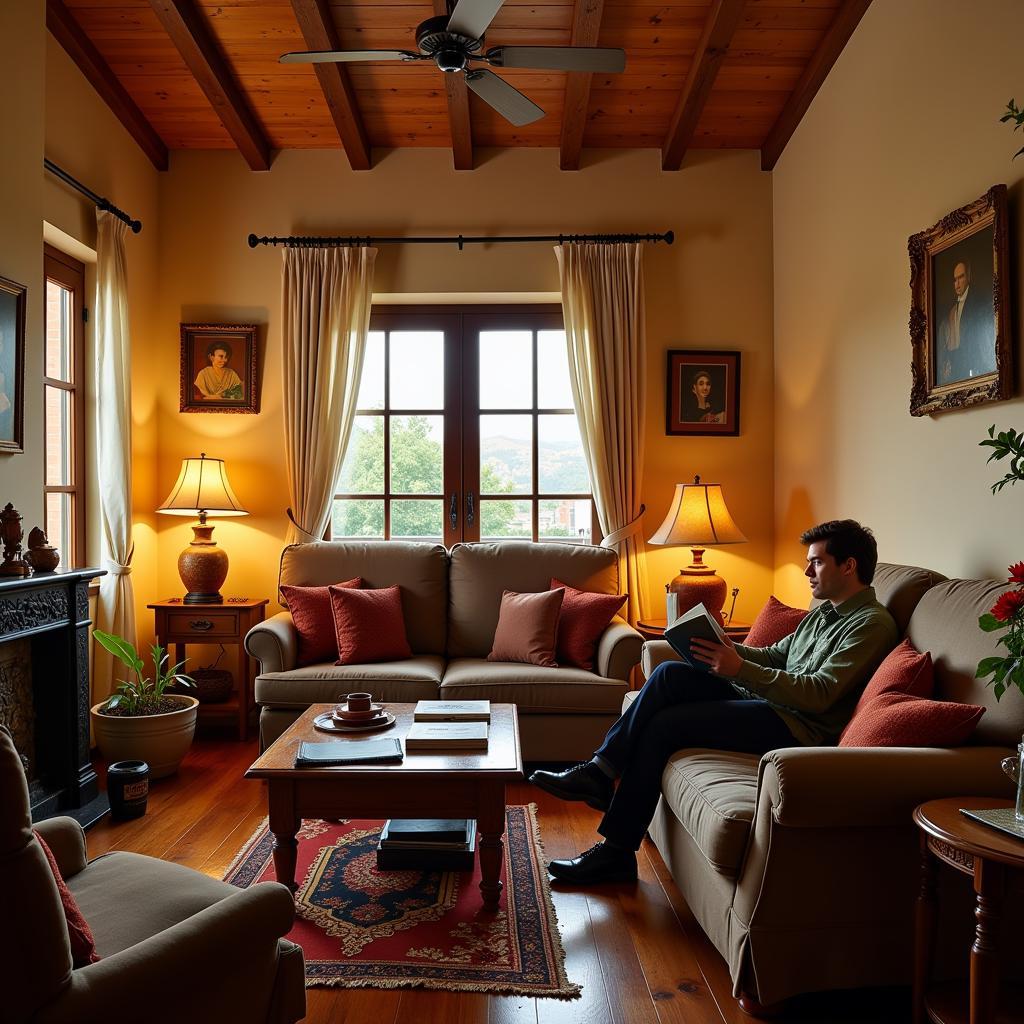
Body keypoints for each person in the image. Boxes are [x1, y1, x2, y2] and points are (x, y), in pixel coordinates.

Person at [530, 519, 898, 884]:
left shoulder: (871, 625)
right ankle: (600, 770)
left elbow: (819, 692)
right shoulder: (823, 612)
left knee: (665, 727)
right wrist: (725, 647)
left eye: (816, 562)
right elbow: (774, 656)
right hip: (765, 702)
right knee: (669, 675)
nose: (806, 571)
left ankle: (616, 851)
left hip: (795, 727)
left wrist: (739, 669)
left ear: (849, 566)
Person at [937, 260, 995, 385]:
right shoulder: (952, 309)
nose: (957, 284)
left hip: (976, 366)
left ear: (968, 277)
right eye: (955, 280)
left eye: (961, 277)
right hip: (957, 366)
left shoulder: (979, 303)